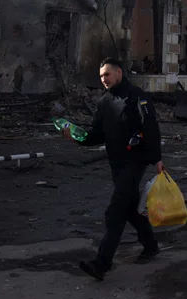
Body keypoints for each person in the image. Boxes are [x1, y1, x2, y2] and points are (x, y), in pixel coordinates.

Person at [63, 57, 164, 281]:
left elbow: (151, 128)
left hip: (135, 161)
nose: (104, 80)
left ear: (119, 73)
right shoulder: (104, 103)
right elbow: (95, 134)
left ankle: (102, 263)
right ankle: (151, 246)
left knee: (115, 211)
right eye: (101, 77)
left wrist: (156, 158)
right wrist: (76, 138)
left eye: (107, 75)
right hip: (116, 163)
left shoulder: (137, 97)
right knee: (129, 209)